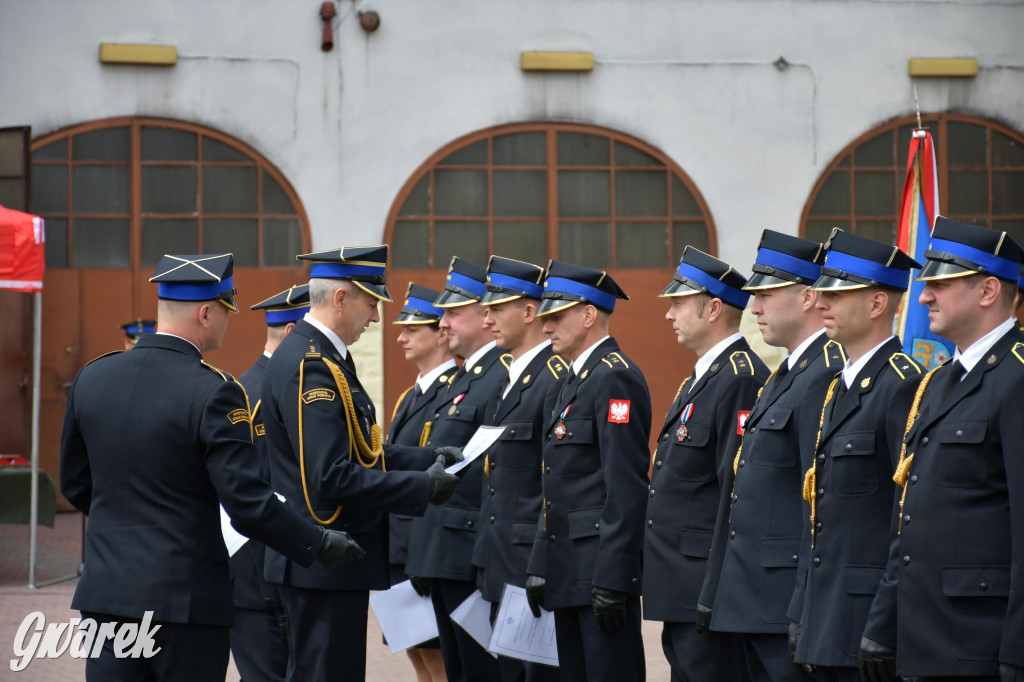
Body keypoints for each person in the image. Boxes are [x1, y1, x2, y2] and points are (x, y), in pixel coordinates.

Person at [60, 254, 364, 682]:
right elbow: (247, 503)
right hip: (184, 600)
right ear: (205, 313)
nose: (227, 323)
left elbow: (75, 484)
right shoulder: (213, 391)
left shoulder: (93, 376)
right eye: (225, 311)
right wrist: (316, 543)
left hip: (107, 595)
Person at [260, 245, 462, 682]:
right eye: (371, 303)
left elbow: (361, 449)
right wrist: (420, 488)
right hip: (324, 557)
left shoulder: (320, 357)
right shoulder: (312, 366)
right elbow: (331, 475)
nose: (375, 317)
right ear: (340, 298)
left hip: (324, 559)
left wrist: (429, 458)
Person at [859, 217, 1024, 682]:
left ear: (989, 291)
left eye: (940, 283)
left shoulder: (1016, 378)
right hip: (923, 637)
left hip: (981, 644)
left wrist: (1019, 648)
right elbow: (908, 516)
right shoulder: (934, 383)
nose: (924, 296)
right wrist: (884, 625)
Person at [697, 230, 845, 682]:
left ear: (808, 297)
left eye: (766, 294)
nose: (754, 307)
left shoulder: (825, 373)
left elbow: (817, 504)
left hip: (784, 601)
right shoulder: (788, 373)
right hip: (754, 598)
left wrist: (805, 605)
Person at [783, 230, 923, 681]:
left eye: (837, 293)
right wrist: (801, 608)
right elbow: (817, 514)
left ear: (878, 304)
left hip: (868, 621)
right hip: (826, 618)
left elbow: (906, 520)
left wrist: (884, 623)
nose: (821, 303)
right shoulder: (832, 390)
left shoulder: (901, 384)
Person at [644, 247, 769, 682]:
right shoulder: (702, 376)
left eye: (678, 304)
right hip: (681, 582)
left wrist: (717, 588)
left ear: (714, 308)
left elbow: (732, 491)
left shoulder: (739, 377)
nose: (669, 315)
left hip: (705, 584)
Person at [524, 260, 652, 682]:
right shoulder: (572, 381)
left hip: (598, 574)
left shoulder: (615, 378)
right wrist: (541, 563)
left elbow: (626, 485)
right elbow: (556, 484)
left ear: (588, 314)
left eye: (556, 317)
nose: (546, 328)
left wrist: (615, 578)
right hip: (568, 570)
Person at [405, 257, 507, 682]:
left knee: (479, 672)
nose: (442, 323)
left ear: (486, 316)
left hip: (467, 555)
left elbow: (494, 476)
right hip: (444, 553)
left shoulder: (498, 377)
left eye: (453, 313)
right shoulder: (466, 379)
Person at [473, 255, 569, 682]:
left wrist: (539, 563)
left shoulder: (553, 377)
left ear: (530, 311)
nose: (486, 316)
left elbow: (555, 482)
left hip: (530, 564)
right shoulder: (514, 376)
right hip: (502, 562)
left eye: (496, 308)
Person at [230, 283, 310, 682]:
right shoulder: (258, 393)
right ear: (295, 332)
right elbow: (259, 493)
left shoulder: (271, 385)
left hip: (277, 571)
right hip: (262, 576)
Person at [387, 282, 456, 682]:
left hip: (424, 545)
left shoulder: (450, 392)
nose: (401, 337)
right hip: (401, 546)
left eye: (412, 329)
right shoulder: (409, 396)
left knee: (439, 657)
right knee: (417, 654)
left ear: (440, 334)